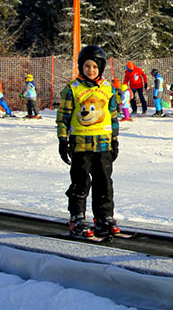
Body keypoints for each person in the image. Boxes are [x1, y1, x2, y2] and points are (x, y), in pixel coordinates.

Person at [56, 45, 120, 239]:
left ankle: (104, 217)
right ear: (80, 67)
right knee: (81, 182)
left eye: (94, 67)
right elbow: (63, 117)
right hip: (81, 145)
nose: (90, 71)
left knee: (104, 183)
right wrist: (62, 140)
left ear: (100, 68)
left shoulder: (108, 89)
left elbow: (114, 116)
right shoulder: (72, 89)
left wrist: (115, 141)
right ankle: (77, 216)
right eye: (86, 67)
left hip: (103, 145)